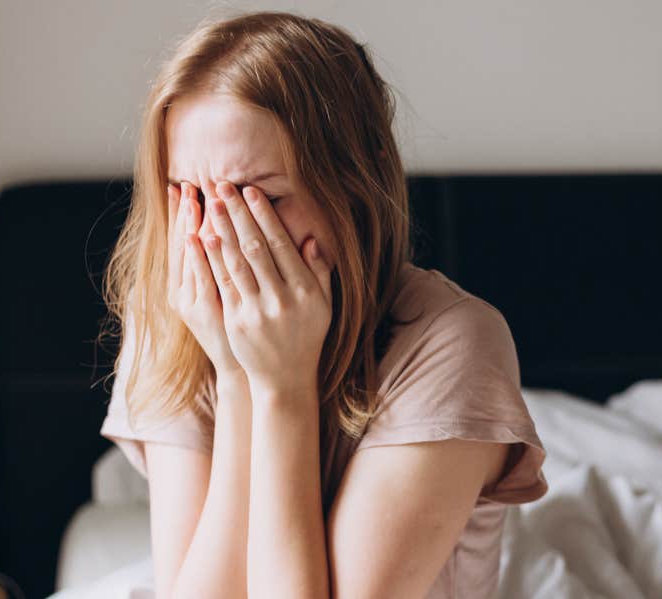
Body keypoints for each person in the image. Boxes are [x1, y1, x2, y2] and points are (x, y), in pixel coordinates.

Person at [97, 10, 548, 599]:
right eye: (192, 197)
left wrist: (282, 387)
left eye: (260, 199)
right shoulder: (173, 318)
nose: (218, 237)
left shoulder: (453, 341)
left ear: (353, 193)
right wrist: (237, 377)